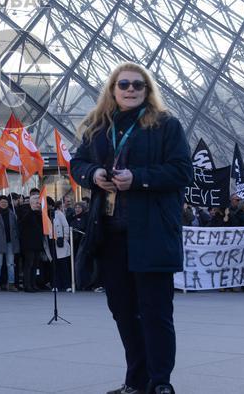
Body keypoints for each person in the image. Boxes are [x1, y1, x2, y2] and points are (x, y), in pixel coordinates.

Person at [70, 62, 191, 394]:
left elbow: (182, 171)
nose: (131, 89)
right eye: (124, 84)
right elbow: (77, 164)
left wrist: (139, 179)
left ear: (148, 90)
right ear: (112, 89)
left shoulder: (166, 125)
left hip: (151, 232)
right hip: (109, 234)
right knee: (123, 312)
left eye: (139, 85)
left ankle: (161, 382)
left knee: (156, 313)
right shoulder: (98, 127)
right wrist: (93, 174)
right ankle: (137, 381)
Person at [0, 195, 20, 291]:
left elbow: (16, 227)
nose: (4, 203)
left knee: (10, 264)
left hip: (10, 242)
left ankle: (11, 284)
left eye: (5, 202)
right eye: (2, 202)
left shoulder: (12, 213)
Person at [17, 191, 45, 292]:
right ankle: (27, 285)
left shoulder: (40, 212)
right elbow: (22, 223)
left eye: (39, 203)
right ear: (31, 203)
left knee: (35, 264)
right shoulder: (25, 210)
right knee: (29, 264)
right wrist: (31, 211)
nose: (38, 204)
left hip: (37, 242)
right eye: (36, 202)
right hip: (28, 243)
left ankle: (33, 284)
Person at [50, 197, 72, 291]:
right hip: (52, 241)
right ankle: (56, 285)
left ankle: (67, 285)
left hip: (60, 241)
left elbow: (66, 226)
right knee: (55, 264)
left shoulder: (59, 214)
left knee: (63, 264)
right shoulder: (49, 214)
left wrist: (65, 238)